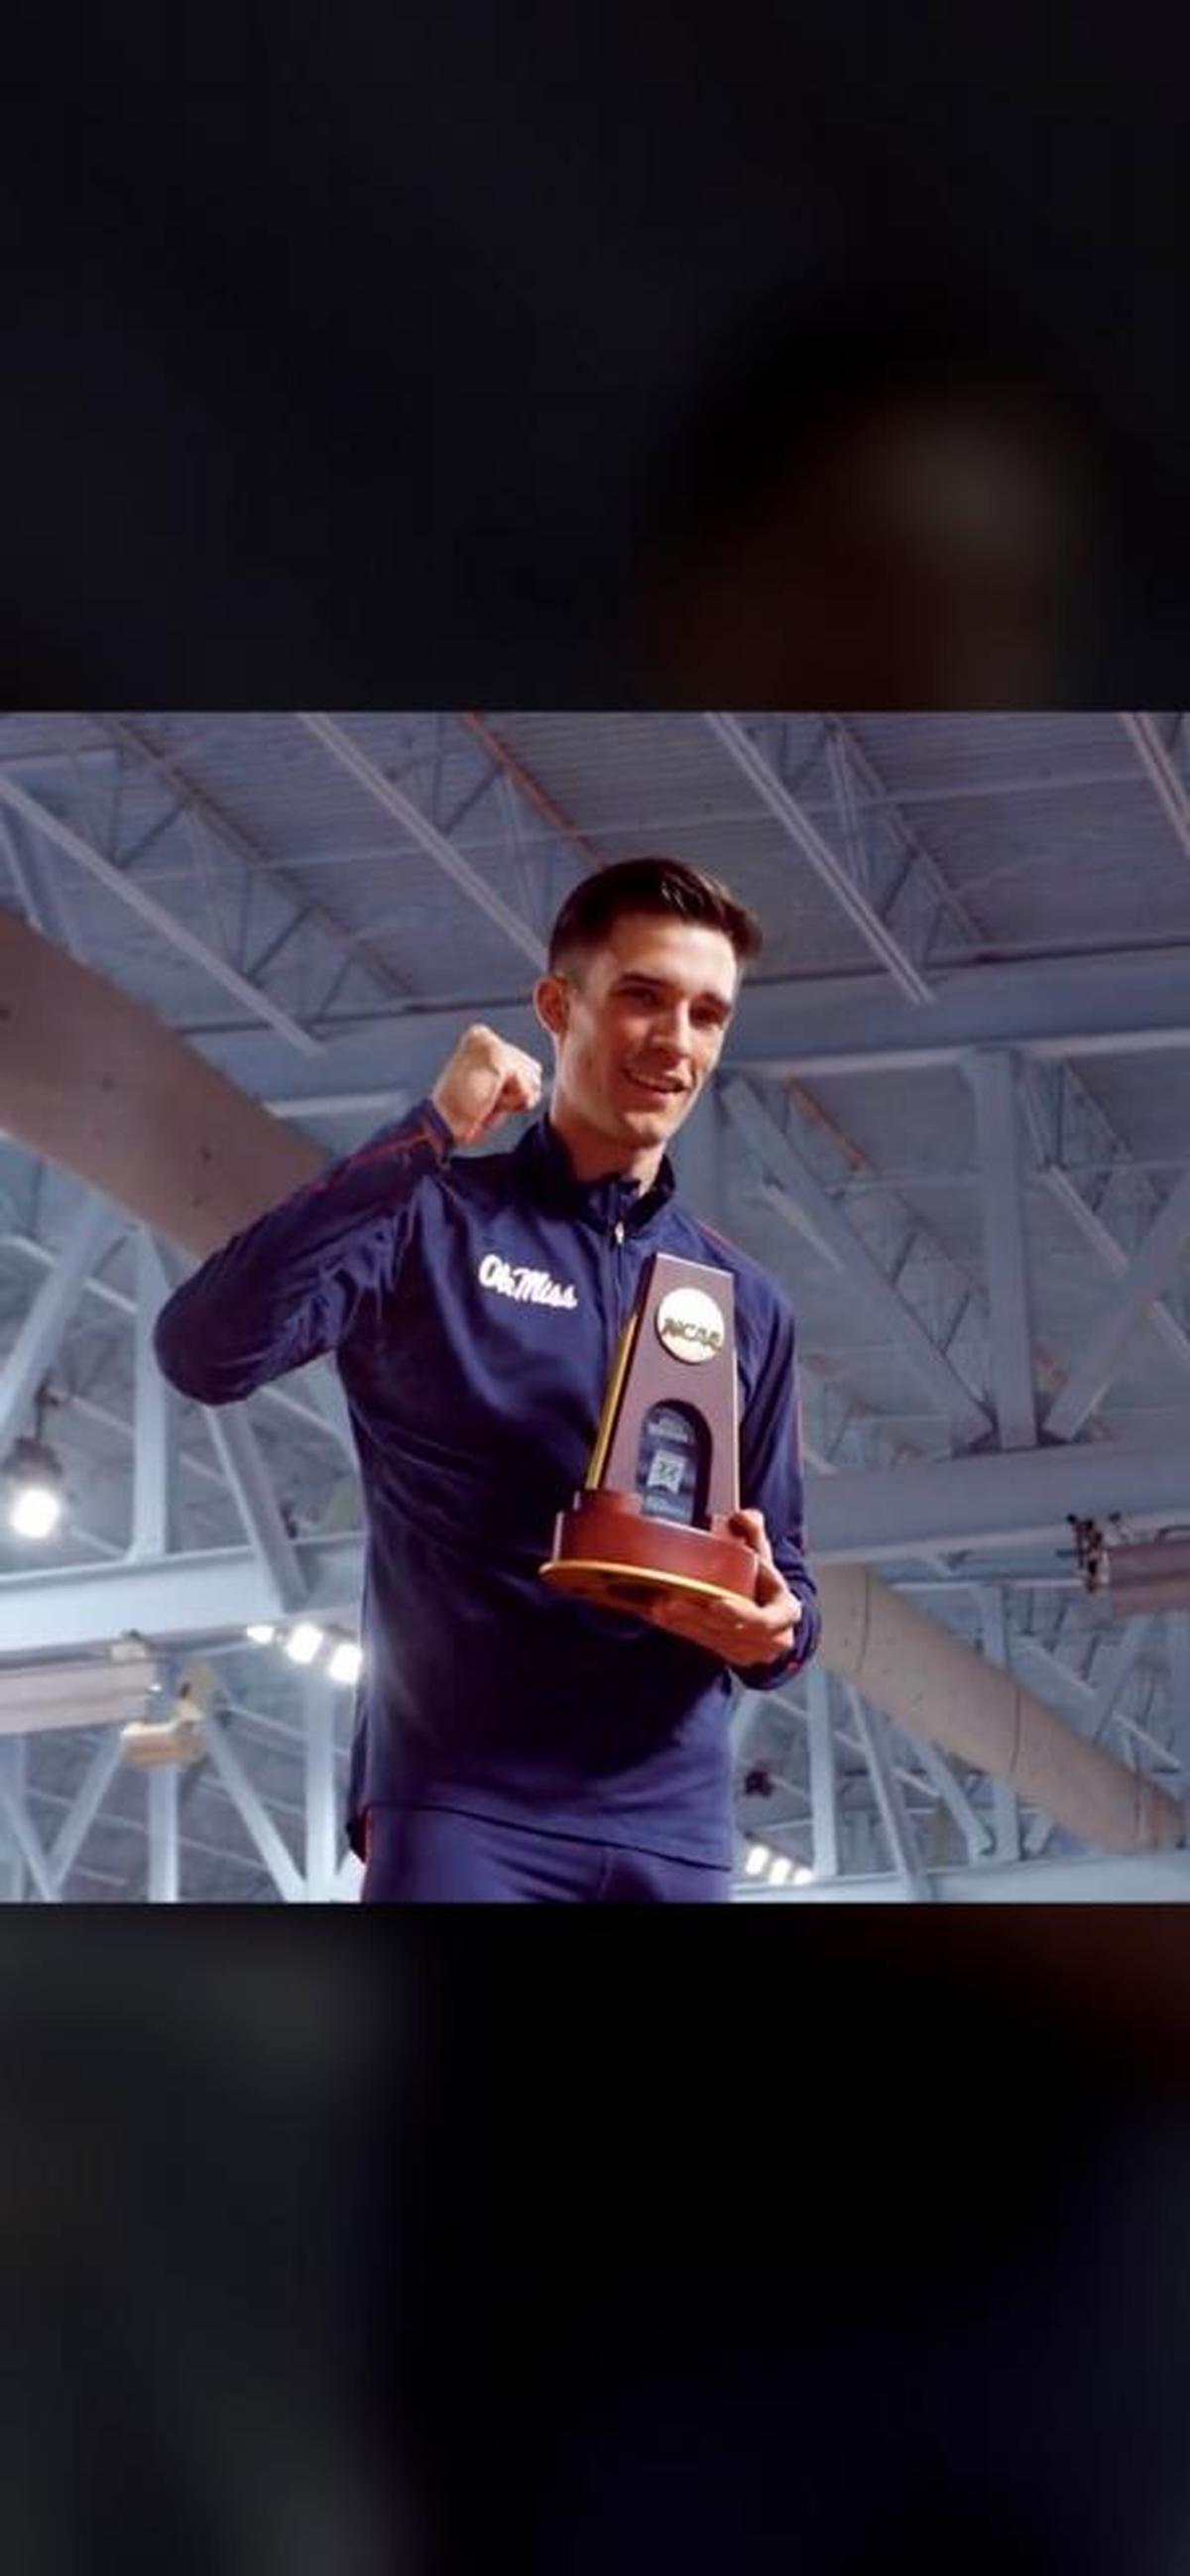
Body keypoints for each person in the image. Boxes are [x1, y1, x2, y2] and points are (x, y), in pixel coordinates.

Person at [154, 857, 820, 1901]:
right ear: (557, 1005)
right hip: (466, 1806)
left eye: (707, 1013)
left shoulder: (744, 1301)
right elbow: (206, 1347)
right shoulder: (431, 1220)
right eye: (642, 996)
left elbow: (784, 1578)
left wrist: (776, 1631)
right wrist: (427, 1133)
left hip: (674, 1826)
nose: (677, 1042)